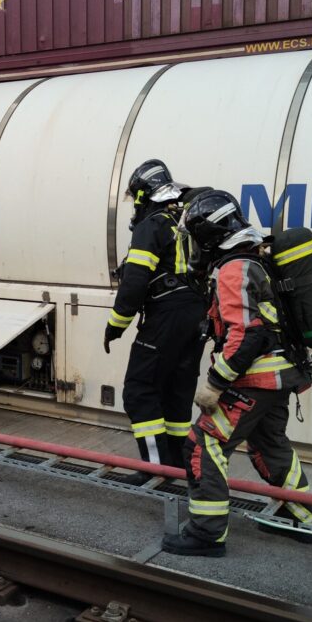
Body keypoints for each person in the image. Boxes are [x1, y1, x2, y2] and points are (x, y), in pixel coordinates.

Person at [161, 189, 312, 558]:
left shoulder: (233, 269)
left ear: (209, 236)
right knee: (269, 444)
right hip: (280, 376)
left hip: (255, 379)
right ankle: (300, 518)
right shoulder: (254, 259)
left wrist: (215, 384)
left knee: (204, 443)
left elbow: (246, 334)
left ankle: (206, 533)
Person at [104, 159, 208, 477]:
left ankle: (154, 470)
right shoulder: (189, 220)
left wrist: (115, 326)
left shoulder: (153, 224)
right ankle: (177, 468)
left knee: (139, 390)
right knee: (176, 392)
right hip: (197, 315)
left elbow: (134, 282)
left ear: (142, 194)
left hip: (166, 314)